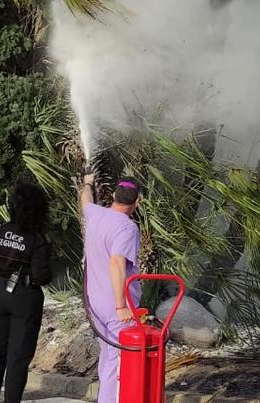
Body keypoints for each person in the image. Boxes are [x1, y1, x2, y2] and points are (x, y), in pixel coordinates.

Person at [0, 183, 53, 403]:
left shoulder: (1, 231)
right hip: (24, 296)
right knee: (18, 357)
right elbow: (41, 276)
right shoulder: (38, 239)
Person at [79, 170, 143, 403]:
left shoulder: (95, 214)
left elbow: (85, 200)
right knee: (120, 365)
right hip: (116, 308)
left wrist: (88, 183)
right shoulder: (127, 228)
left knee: (108, 359)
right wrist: (121, 306)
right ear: (137, 202)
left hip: (95, 303)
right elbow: (116, 262)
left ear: (115, 195)